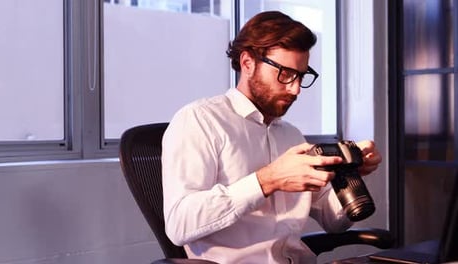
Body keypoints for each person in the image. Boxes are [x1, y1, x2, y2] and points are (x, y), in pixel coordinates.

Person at [161, 11, 381, 264]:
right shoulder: (200, 121)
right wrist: (267, 180)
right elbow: (179, 225)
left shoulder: (291, 135)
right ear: (247, 63)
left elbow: (333, 221)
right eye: (285, 73)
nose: (295, 88)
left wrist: (351, 175)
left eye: (300, 75)